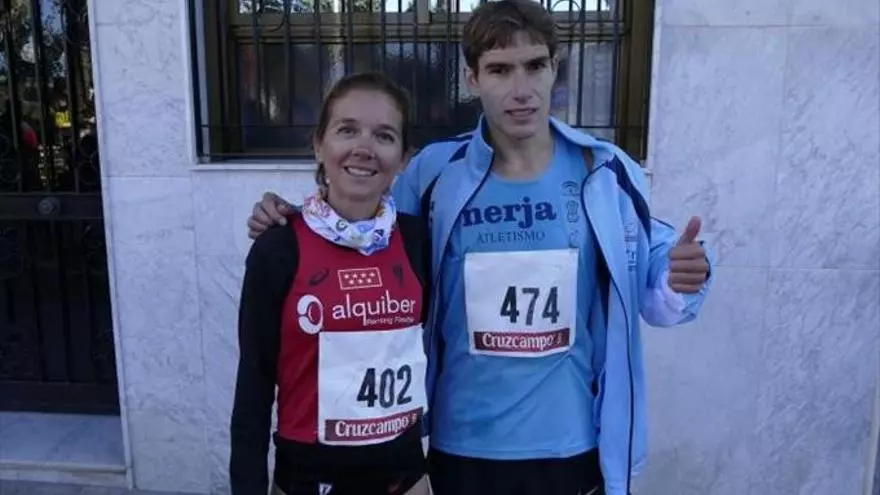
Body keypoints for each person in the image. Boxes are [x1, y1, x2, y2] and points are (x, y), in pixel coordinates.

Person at [246, 1, 715, 494]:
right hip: (462, 446)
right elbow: (368, 235)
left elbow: (654, 262)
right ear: (472, 79)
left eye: (534, 65)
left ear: (554, 68)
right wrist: (295, 222)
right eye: (499, 70)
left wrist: (680, 274)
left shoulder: (603, 170)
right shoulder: (434, 172)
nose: (521, 89)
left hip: (571, 445)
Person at [230, 72, 431, 495]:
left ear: (404, 158)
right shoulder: (278, 249)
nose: (364, 148)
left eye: (384, 135)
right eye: (347, 130)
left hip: (403, 478)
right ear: (319, 145)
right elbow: (253, 388)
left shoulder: (418, 242)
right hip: (308, 480)